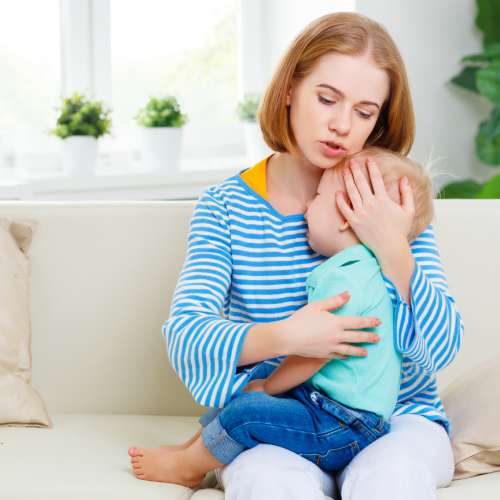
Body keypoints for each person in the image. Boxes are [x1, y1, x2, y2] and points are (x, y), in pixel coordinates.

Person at [129, 12, 463, 500]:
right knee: (267, 483)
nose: (342, 125)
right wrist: (286, 335)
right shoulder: (226, 207)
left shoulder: (389, 197)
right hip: (286, 420)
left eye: (365, 111)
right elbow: (186, 334)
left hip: (398, 421)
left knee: (392, 480)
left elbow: (443, 348)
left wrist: (392, 247)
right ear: (289, 89)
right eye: (327, 98)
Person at [127, 147, 436, 486]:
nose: (307, 207)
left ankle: (189, 466)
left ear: (347, 216)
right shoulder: (352, 268)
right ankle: (188, 450)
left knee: (250, 409)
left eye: (318, 198)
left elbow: (317, 353)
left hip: (347, 422)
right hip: (329, 406)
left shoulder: (348, 278)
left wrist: (270, 385)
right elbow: (188, 329)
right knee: (246, 395)